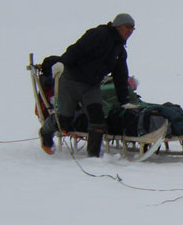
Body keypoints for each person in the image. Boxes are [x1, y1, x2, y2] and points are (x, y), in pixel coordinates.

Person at [39, 13, 136, 157]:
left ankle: (93, 156)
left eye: (133, 29)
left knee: (98, 119)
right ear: (118, 26)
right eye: (128, 27)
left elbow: (120, 77)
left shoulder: (119, 51)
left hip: (91, 87)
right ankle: (45, 132)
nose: (130, 31)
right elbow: (76, 50)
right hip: (71, 81)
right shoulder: (98, 35)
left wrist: (124, 101)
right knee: (64, 119)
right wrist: (62, 62)